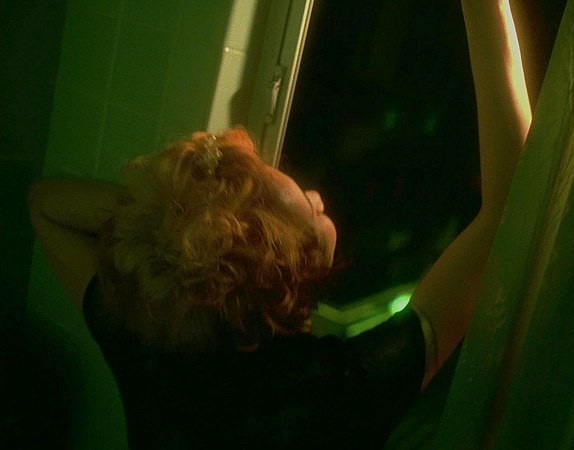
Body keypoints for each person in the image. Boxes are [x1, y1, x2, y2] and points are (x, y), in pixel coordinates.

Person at [29, 0, 542, 448]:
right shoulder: (338, 392)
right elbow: (511, 209)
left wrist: (170, 220)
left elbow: (46, 204)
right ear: (266, 258)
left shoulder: (151, 343)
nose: (315, 193)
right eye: (287, 188)